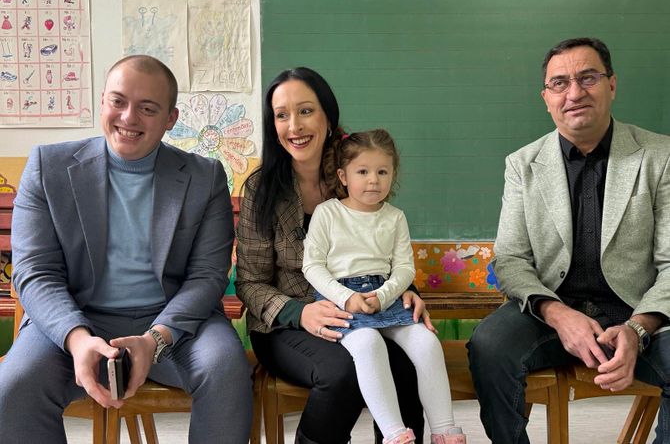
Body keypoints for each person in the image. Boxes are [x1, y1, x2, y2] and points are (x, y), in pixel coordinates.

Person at [0, 55, 252, 443]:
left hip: (174, 323)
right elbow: (35, 271)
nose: (128, 117)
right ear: (102, 100)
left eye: (148, 108)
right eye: (118, 101)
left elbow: (208, 276)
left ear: (171, 118)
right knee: (15, 386)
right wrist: (78, 339)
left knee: (225, 370)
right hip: (75, 318)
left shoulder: (205, 176)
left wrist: (156, 339)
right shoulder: (48, 167)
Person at [467, 37, 670, 443]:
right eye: (559, 83)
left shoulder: (659, 156)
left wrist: (637, 328)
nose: (574, 93)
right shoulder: (522, 164)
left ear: (612, 85)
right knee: (489, 345)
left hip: (636, 309)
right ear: (546, 98)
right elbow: (510, 258)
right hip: (549, 312)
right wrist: (558, 314)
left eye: (588, 78)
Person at [235, 67, 428, 444]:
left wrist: (406, 290)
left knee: (406, 365)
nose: (294, 126)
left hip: (364, 310)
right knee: (343, 371)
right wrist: (299, 312)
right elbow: (250, 283)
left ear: (328, 115)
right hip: (286, 325)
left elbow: (384, 245)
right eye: (282, 115)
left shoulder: (357, 168)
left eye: (306, 111)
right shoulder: (262, 188)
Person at [302, 128, 466, 444]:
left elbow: (404, 268)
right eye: (362, 172)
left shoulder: (394, 217)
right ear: (343, 176)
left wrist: (383, 294)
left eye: (382, 172)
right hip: (341, 298)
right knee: (368, 343)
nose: (373, 180)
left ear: (393, 175)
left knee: (427, 343)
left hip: (383, 294)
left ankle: (445, 430)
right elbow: (312, 266)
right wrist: (346, 298)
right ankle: (395, 433)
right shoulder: (328, 213)